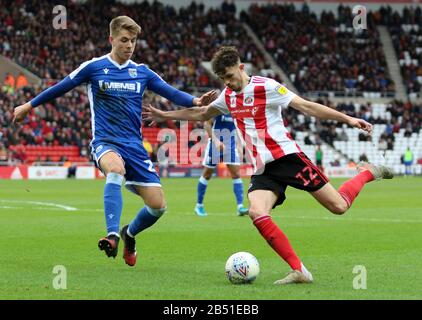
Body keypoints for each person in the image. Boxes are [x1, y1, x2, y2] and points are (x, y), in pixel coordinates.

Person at [144, 46, 394, 285]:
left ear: (241, 67)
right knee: (257, 212)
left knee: (339, 206)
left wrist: (348, 119)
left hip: (288, 159)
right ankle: (299, 270)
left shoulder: (268, 87)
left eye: (230, 76)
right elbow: (201, 114)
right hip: (263, 168)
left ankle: (367, 172)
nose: (228, 83)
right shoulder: (227, 96)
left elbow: (306, 106)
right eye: (223, 79)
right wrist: (165, 116)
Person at [12, 16, 217, 267]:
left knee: (158, 205)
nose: (129, 45)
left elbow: (170, 92)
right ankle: (111, 235)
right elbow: (61, 86)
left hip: (135, 146)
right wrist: (28, 105)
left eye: (133, 41)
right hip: (105, 141)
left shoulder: (142, 72)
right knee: (115, 169)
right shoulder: (94, 67)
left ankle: (128, 234)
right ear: (111, 39)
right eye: (124, 40)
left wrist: (196, 102)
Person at [195, 114, 249, 217]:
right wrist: (215, 141)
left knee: (236, 174)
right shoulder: (219, 107)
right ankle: (199, 206)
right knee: (207, 174)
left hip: (231, 145)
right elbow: (207, 124)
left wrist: (239, 145)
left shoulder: (236, 109)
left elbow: (237, 128)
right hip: (215, 145)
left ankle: (240, 207)